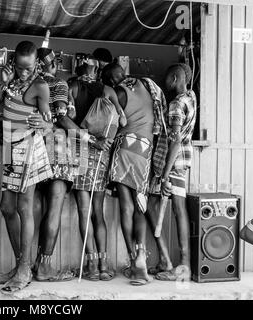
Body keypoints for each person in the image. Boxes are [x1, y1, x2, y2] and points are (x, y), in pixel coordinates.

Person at [0, 41, 53, 293]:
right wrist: (3, 82)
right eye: (20, 67)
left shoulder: (40, 86)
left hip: (27, 146)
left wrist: (42, 122)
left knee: (25, 207)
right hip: (6, 145)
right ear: (14, 63)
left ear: (36, 64)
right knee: (6, 207)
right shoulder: (12, 80)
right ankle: (20, 264)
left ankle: (25, 268)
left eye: (28, 68)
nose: (24, 72)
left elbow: (48, 126)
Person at [103, 62, 167, 286]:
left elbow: (107, 104)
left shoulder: (116, 91)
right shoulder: (147, 85)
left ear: (112, 79)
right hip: (145, 151)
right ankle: (141, 258)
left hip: (124, 149)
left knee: (126, 207)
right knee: (141, 205)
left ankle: (133, 260)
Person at [28, 48, 77, 282]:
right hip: (56, 147)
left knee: (34, 207)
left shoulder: (26, 84)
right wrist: (87, 138)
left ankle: (29, 263)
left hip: (31, 148)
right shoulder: (58, 84)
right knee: (54, 208)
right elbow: (62, 117)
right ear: (51, 65)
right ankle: (45, 266)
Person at [148, 64, 197, 282]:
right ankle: (167, 261)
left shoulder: (177, 104)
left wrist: (165, 174)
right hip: (183, 160)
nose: (165, 82)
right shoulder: (191, 97)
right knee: (175, 209)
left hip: (174, 163)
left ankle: (183, 266)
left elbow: (175, 141)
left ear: (176, 77)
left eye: (168, 78)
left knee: (177, 209)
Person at [68, 55, 114, 281]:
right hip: (101, 152)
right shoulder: (106, 90)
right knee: (98, 211)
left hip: (80, 149)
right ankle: (104, 264)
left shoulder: (73, 86)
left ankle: (92, 265)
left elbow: (68, 118)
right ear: (98, 70)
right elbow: (120, 122)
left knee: (84, 212)